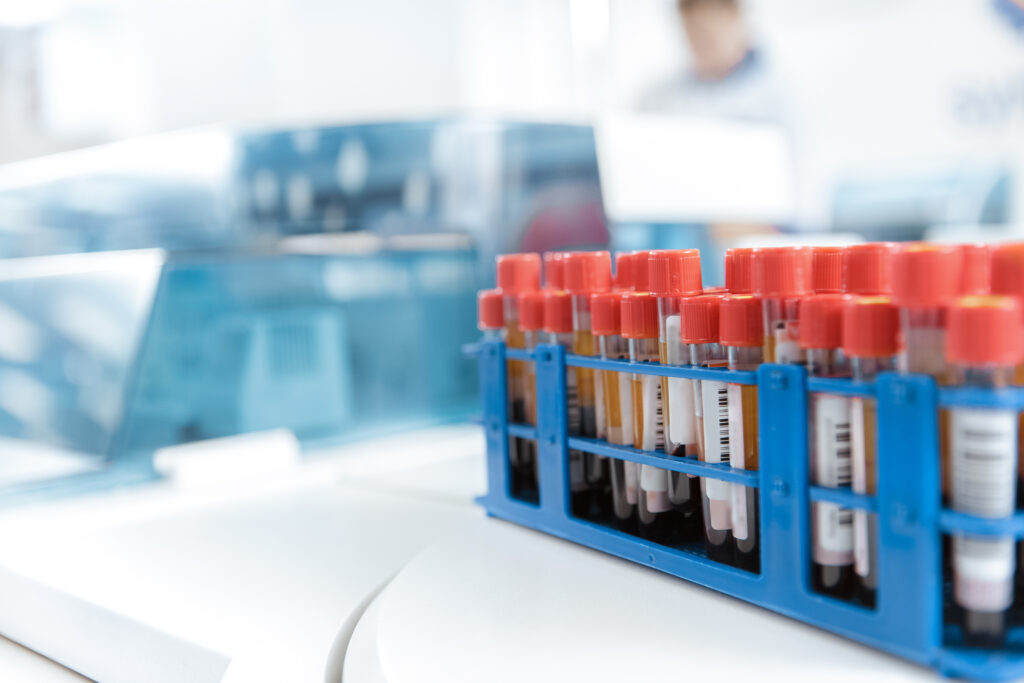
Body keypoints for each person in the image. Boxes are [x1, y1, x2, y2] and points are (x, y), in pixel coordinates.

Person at [638, 0, 784, 124]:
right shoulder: (657, 98)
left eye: (707, 36)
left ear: (735, 18)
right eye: (692, 34)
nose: (699, 46)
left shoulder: (780, 98)